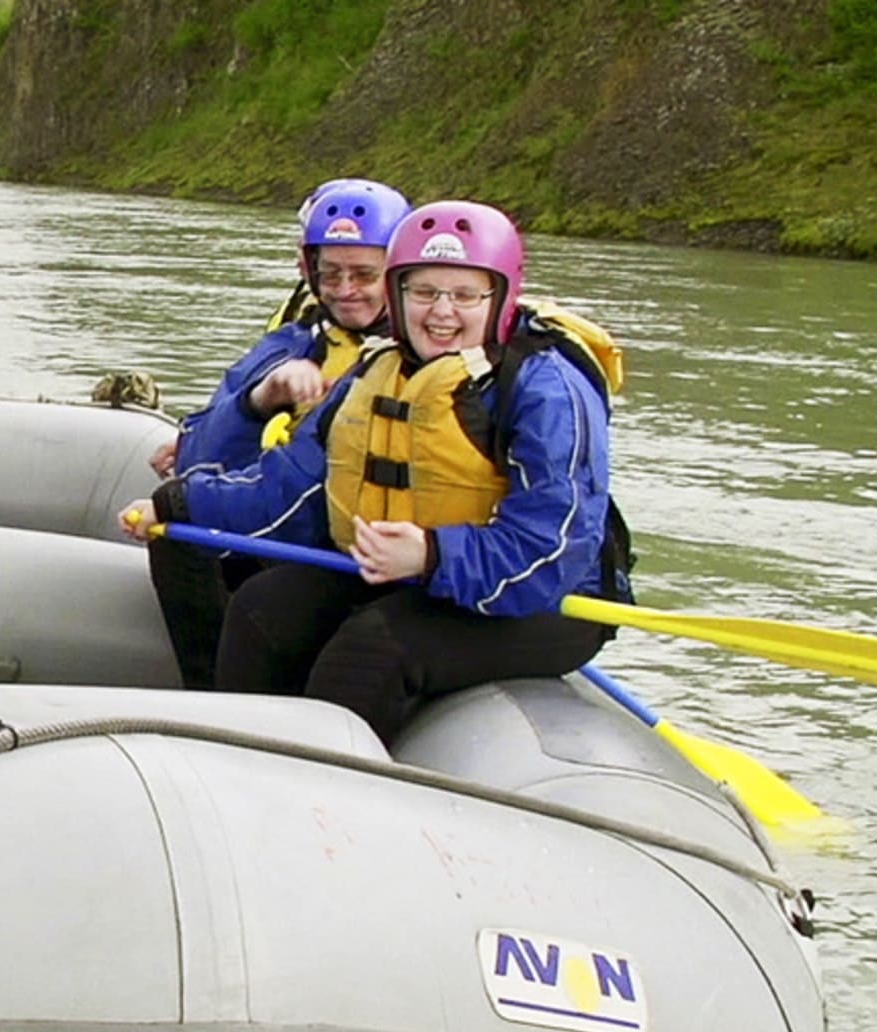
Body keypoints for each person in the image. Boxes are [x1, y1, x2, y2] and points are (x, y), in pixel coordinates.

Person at [122, 200, 628, 746]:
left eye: (464, 295)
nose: (441, 312)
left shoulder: (546, 390)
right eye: (424, 291)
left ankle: (325, 787)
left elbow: (554, 545)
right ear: (399, 293)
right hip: (401, 571)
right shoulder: (377, 370)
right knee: (260, 609)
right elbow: (290, 489)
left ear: (499, 297)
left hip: (543, 597)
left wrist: (432, 555)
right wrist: (177, 504)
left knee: (371, 652)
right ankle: (232, 757)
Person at [145, 179, 411, 688]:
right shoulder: (298, 339)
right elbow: (197, 455)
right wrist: (258, 401)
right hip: (298, 524)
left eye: (364, 275)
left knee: (255, 593)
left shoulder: (416, 355)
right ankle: (204, 690)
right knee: (180, 536)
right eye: (330, 273)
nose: (345, 289)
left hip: (369, 549)